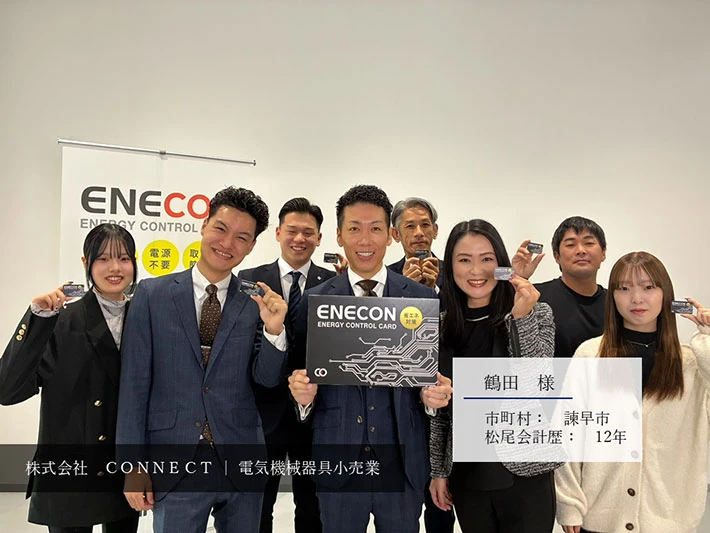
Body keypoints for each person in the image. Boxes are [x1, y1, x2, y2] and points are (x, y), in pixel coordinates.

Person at [115, 186, 288, 533]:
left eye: (242, 237)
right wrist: (132, 464)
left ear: (252, 246)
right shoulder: (152, 294)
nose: (227, 243)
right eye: (221, 229)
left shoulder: (256, 301)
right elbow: (134, 384)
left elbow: (267, 379)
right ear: (204, 225)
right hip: (174, 458)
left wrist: (274, 331)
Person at [288, 185, 453, 533]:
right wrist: (302, 398)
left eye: (375, 228)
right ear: (338, 235)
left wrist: (432, 398)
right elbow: (300, 376)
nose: (365, 240)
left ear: (390, 235)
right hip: (338, 462)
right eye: (354, 228)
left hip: (402, 464)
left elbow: (427, 377)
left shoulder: (421, 298)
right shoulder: (315, 301)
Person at [555, 251, 710, 533]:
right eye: (624, 288)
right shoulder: (591, 355)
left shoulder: (691, 363)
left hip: (669, 521)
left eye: (648, 287)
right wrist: (569, 503)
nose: (636, 298)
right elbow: (568, 433)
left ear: (665, 294)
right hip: (600, 517)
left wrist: (708, 341)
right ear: (613, 296)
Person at [0, 223, 140, 533]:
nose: (115, 268)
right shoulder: (62, 320)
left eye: (124, 258)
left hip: (122, 468)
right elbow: (8, 390)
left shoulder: (144, 318)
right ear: (85, 263)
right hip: (69, 471)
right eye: (103, 258)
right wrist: (36, 318)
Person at [429, 219, 557, 532]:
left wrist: (521, 318)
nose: (476, 271)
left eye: (486, 259)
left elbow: (537, 384)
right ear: (450, 267)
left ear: (500, 263)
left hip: (526, 471)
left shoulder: (536, 312)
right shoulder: (440, 325)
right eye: (464, 260)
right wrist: (439, 470)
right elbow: (441, 412)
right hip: (467, 472)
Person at [239, 197, 337, 533]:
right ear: (278, 233)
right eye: (292, 230)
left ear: (319, 238)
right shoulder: (249, 279)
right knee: (258, 505)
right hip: (262, 414)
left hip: (315, 416)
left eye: (308, 232)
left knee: (312, 506)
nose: (299, 238)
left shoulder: (334, 284)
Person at [513, 216, 607, 358]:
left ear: (603, 253)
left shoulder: (616, 301)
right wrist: (518, 279)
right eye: (570, 245)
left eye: (589, 243)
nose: (581, 250)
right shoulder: (535, 297)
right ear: (557, 256)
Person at [388, 197, 443, 291]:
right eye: (410, 226)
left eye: (425, 225)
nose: (419, 233)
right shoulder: (388, 276)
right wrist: (405, 289)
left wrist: (433, 289)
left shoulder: (452, 271)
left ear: (435, 230)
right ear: (396, 234)